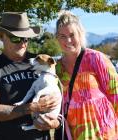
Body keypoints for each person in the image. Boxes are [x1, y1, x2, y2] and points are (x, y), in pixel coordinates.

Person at [0, 12, 60, 140]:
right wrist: (31, 108)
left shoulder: (41, 62)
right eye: (16, 38)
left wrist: (55, 122)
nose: (22, 43)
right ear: (1, 36)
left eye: (26, 38)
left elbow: (59, 102)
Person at [54, 10, 118, 140]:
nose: (68, 40)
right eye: (62, 36)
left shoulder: (96, 58)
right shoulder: (57, 68)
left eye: (72, 34)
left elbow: (115, 93)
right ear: (57, 38)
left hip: (103, 132)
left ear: (81, 34)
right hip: (73, 133)